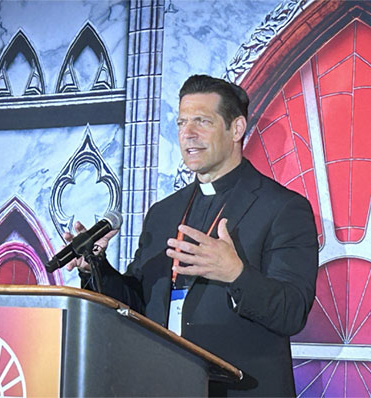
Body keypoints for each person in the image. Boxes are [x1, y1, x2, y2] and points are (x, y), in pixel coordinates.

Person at [66, 75, 319, 397]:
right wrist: (95, 267)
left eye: (202, 121)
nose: (188, 134)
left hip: (241, 389)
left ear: (236, 129)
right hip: (162, 384)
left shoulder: (283, 208)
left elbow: (292, 312)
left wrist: (236, 274)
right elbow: (138, 303)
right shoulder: (164, 212)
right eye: (182, 122)